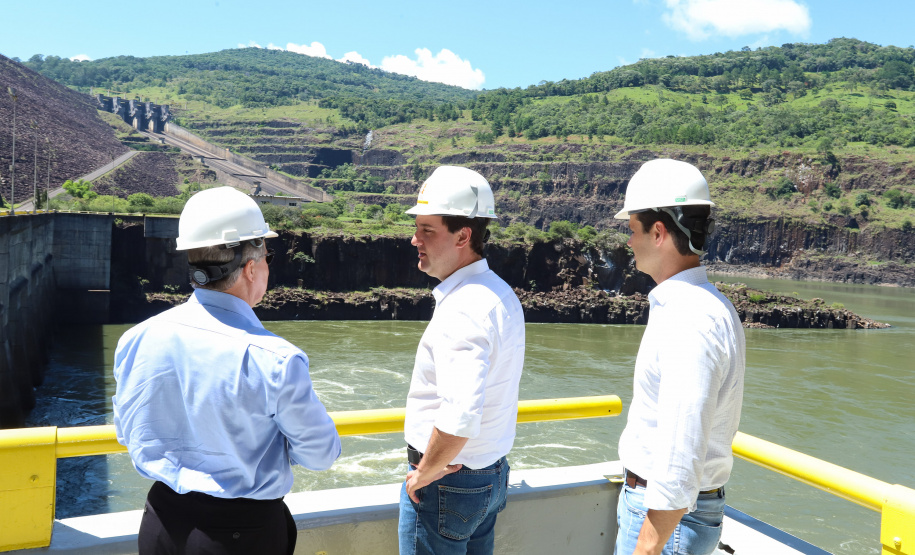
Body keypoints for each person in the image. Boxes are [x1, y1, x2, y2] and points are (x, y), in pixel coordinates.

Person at [113, 186, 341, 555]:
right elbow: (321, 455)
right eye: (267, 257)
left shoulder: (138, 338)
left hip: (160, 521)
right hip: (239, 534)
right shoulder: (275, 358)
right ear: (251, 268)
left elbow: (128, 432)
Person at [612, 159, 746, 555]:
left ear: (658, 232)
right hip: (675, 514)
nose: (629, 242)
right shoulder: (711, 305)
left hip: (666, 519)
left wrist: (648, 548)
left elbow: (681, 452)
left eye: (633, 229)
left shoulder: (688, 320)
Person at [398, 166, 525, 555]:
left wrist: (425, 473)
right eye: (416, 227)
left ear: (464, 235)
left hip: (447, 482)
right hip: (487, 474)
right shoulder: (497, 292)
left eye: (427, 230)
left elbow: (460, 414)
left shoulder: (464, 307)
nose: (414, 239)